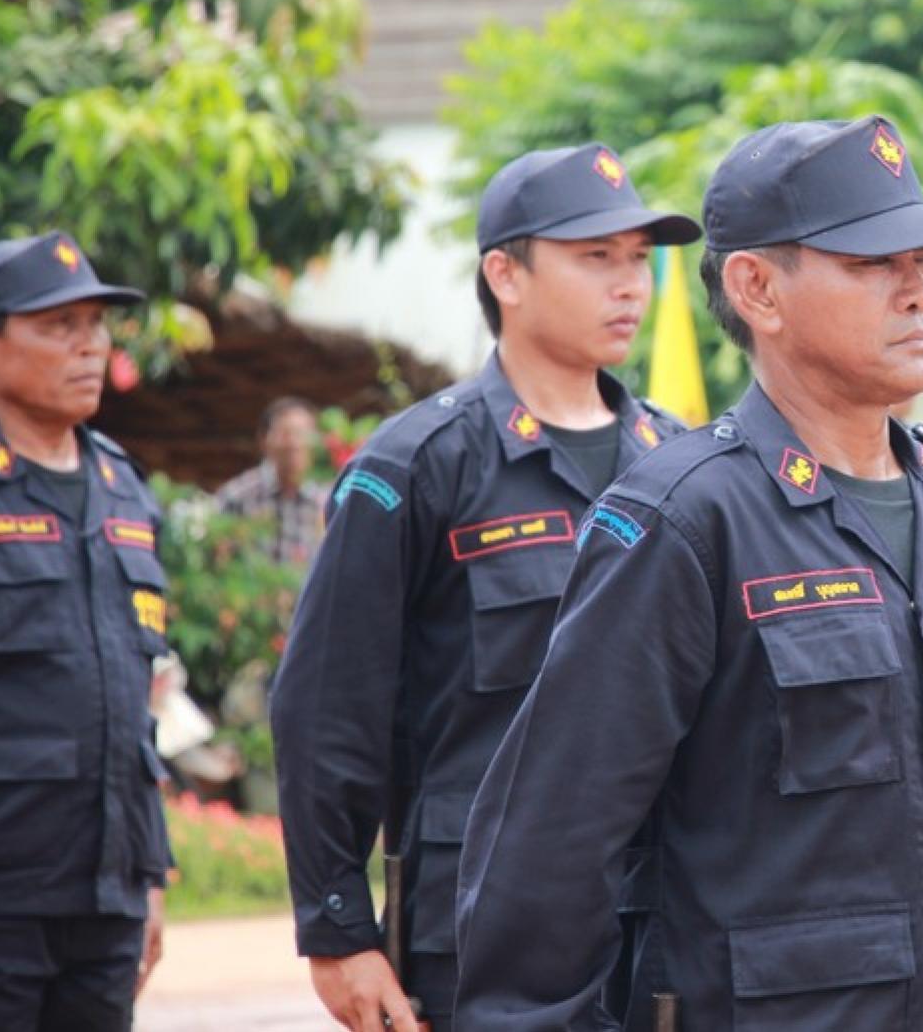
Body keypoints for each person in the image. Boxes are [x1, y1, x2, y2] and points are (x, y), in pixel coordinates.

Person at [454, 115, 923, 1031]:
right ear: (757, 288)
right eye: (874, 264)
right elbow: (555, 840)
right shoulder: (685, 520)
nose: (918, 293)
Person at [270, 143, 700, 1032]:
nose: (630, 285)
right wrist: (338, 930)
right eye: (596, 257)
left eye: (637, 259)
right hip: (482, 920)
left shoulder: (682, 465)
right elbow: (326, 706)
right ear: (505, 274)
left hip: (660, 911)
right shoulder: (418, 465)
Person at [0, 231, 169, 1029]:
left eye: (96, 324)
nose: (89, 346)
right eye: (58, 325)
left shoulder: (124, 488)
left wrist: (151, 874)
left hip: (106, 899)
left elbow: (135, 701)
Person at [213, 396, 325, 567]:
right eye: (285, 434)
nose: (294, 443)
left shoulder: (325, 500)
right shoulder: (237, 495)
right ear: (264, 440)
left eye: (303, 434)